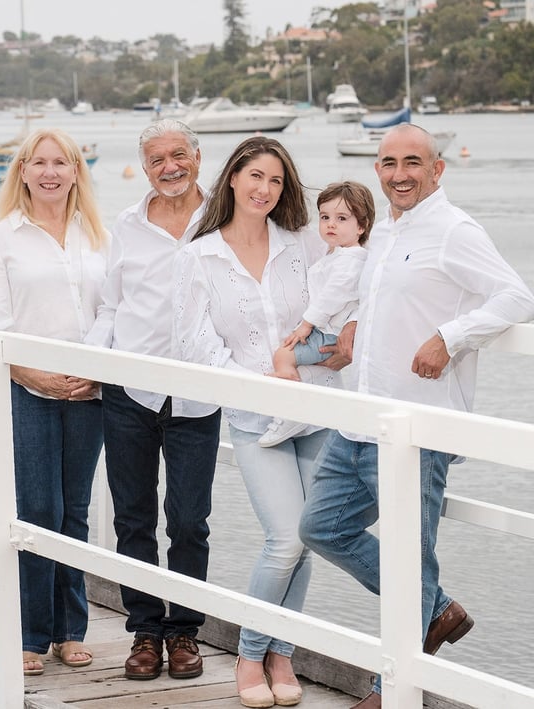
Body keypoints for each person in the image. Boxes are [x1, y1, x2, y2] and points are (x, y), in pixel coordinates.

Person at [298, 123, 534, 709]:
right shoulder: (384, 231)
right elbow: (379, 296)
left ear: (436, 169)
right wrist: (356, 321)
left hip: (418, 427)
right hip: (363, 417)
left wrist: (450, 337)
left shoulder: (455, 231)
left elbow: (516, 296)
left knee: (410, 554)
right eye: (388, 163)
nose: (399, 174)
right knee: (320, 528)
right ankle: (437, 609)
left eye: (412, 162)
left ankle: (393, 690)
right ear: (378, 170)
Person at [172, 135, 350, 708]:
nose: (264, 189)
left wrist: (348, 335)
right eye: (255, 176)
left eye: (276, 180)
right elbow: (195, 346)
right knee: (285, 537)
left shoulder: (304, 243)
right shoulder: (200, 257)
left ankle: (282, 655)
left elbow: (350, 286)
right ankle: (250, 654)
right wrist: (261, 383)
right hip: (255, 417)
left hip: (317, 407)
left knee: (308, 539)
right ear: (232, 178)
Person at [84, 119, 221, 681]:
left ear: (197, 156)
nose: (170, 167)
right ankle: (145, 630)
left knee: (189, 521)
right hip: (129, 393)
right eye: (157, 159)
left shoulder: (224, 218)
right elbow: (112, 306)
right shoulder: (126, 225)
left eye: (178, 155)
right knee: (133, 518)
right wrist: (90, 361)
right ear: (144, 168)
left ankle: (184, 631)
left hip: (198, 396)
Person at [0, 129, 109, 676]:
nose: (51, 173)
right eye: (40, 163)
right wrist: (34, 375)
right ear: (22, 171)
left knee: (75, 511)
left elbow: (113, 312)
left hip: (89, 390)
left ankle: (70, 631)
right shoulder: (0, 238)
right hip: (25, 390)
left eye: (61, 163)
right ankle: (31, 632)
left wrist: (94, 372)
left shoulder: (98, 236)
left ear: (76, 171)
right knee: (37, 510)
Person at [258, 181, 374, 448]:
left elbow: (332, 296)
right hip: (327, 328)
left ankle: (292, 411)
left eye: (342, 218)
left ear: (361, 226)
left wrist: (306, 325)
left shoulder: (351, 259)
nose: (331, 224)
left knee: (283, 355)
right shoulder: (337, 255)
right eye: (325, 217)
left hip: (328, 332)